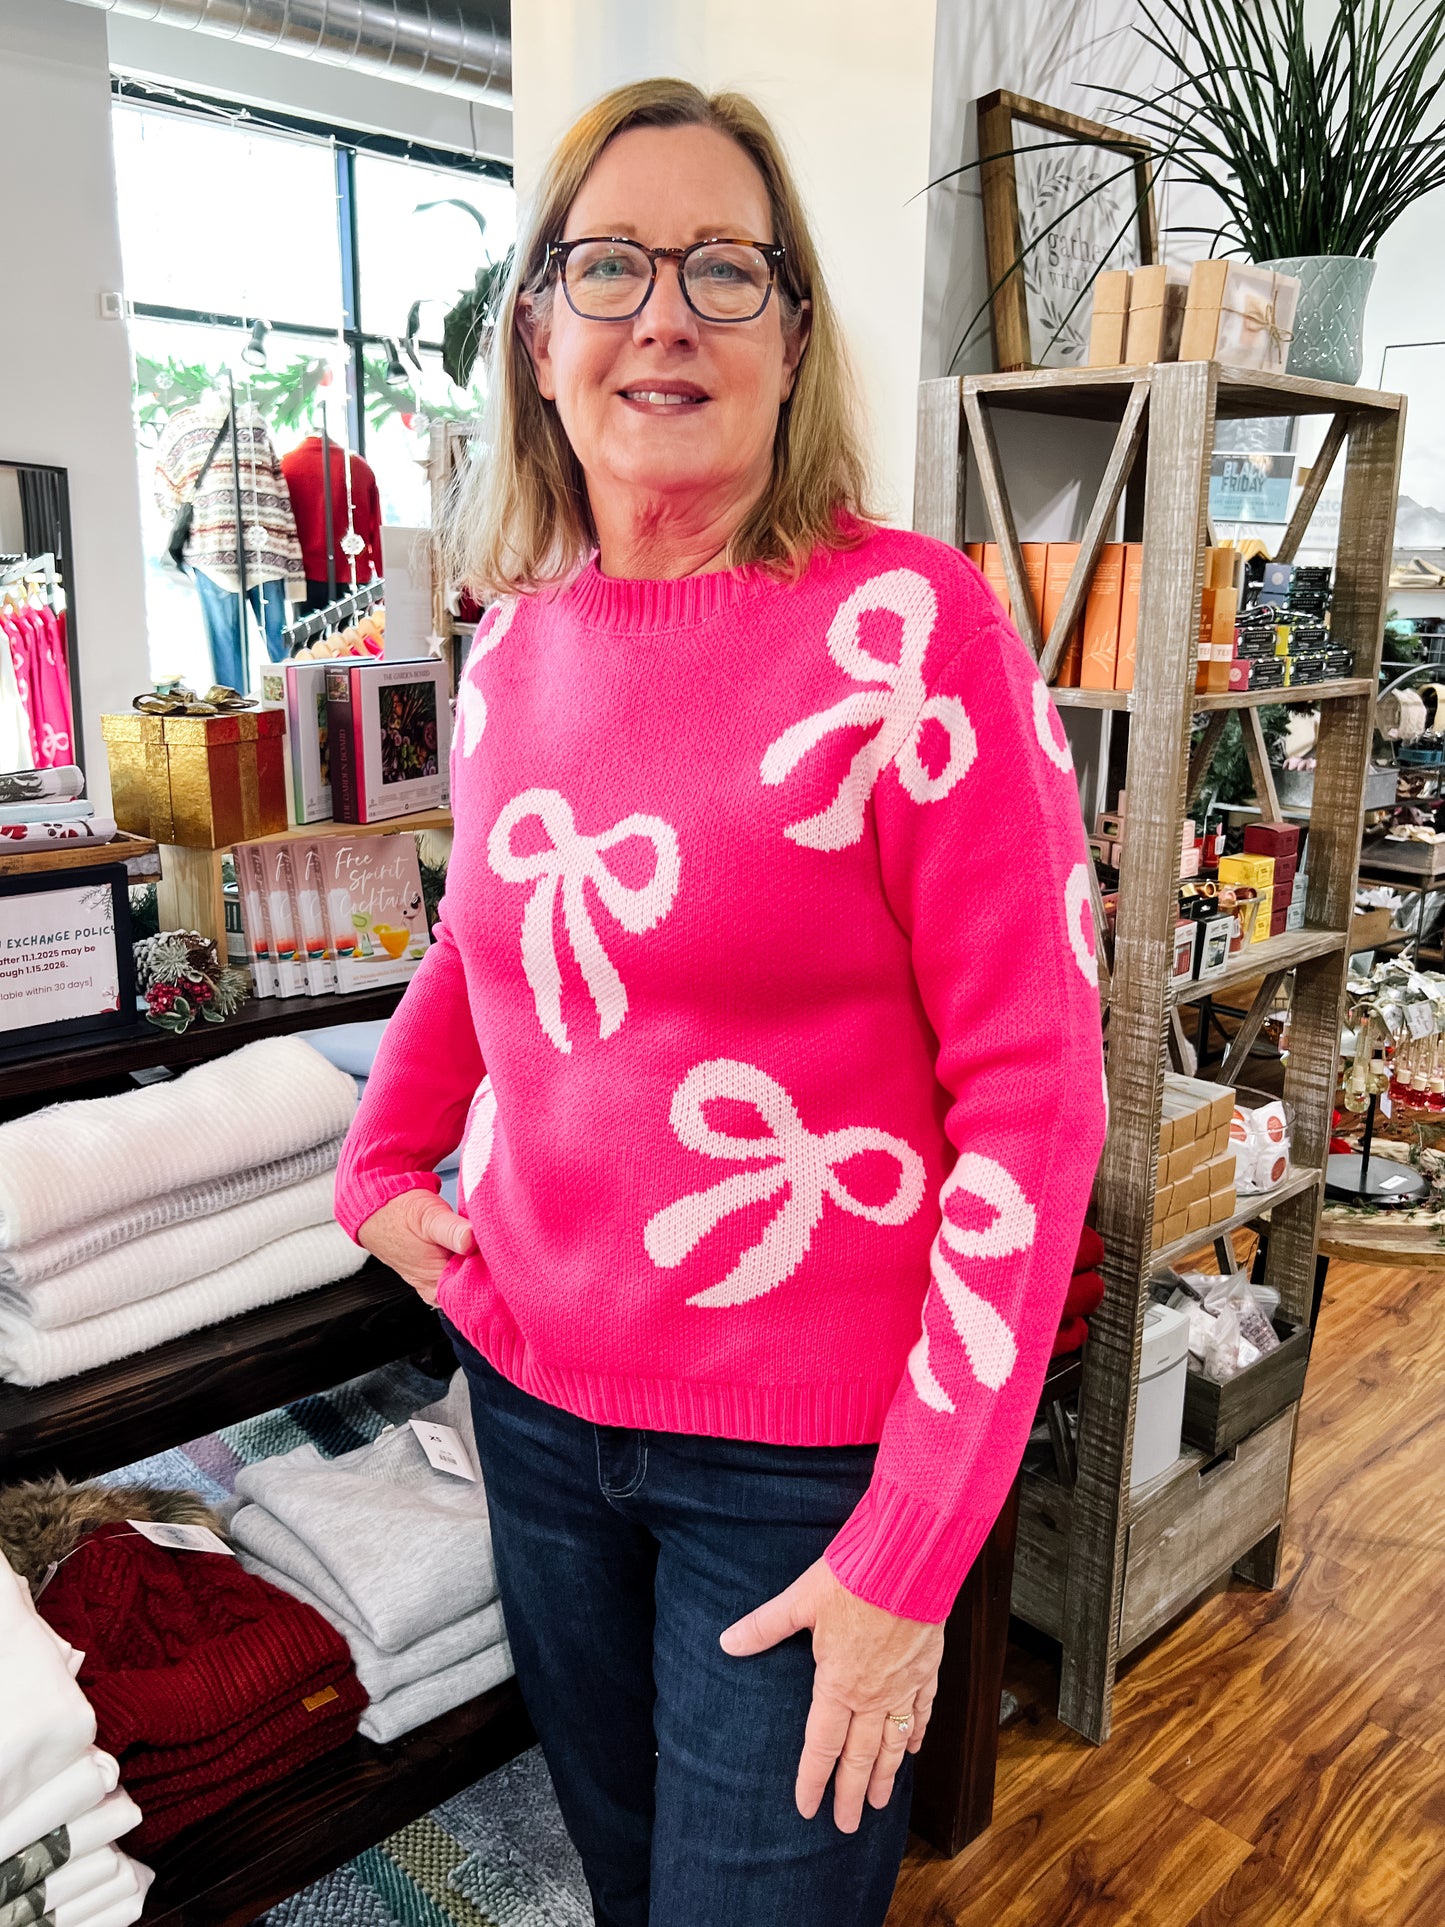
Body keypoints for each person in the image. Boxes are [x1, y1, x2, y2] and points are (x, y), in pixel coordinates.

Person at [335, 76, 1106, 1927]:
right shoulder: (514, 644)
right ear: (537, 338)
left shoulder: (913, 637)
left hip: (807, 1467)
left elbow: (1037, 1099)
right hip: (534, 1408)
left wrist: (917, 1546)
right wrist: (376, 1165)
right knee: (627, 1891)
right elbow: (481, 939)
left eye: (722, 270)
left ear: (793, 334)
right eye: (607, 265)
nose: (662, 312)